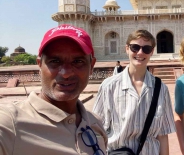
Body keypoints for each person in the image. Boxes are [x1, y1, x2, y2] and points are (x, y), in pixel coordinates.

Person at [0, 24, 107, 155]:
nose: (66, 72)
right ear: (39, 65)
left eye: (78, 61)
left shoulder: (95, 123)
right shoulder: (10, 124)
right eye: (55, 61)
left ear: (91, 66)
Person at [93, 29, 176, 155]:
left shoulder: (161, 89)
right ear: (127, 49)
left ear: (152, 51)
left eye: (146, 49)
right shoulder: (109, 86)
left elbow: (162, 134)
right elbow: (97, 130)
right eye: (135, 47)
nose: (140, 52)